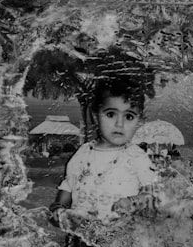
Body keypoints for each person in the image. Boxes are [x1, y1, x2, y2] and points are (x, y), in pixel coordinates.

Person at [49, 78, 159, 224]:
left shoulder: (136, 156)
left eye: (129, 116)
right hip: (81, 233)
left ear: (139, 121)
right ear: (95, 116)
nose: (119, 124)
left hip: (119, 236)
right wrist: (59, 207)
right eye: (111, 114)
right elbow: (69, 184)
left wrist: (133, 202)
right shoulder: (84, 152)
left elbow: (152, 194)